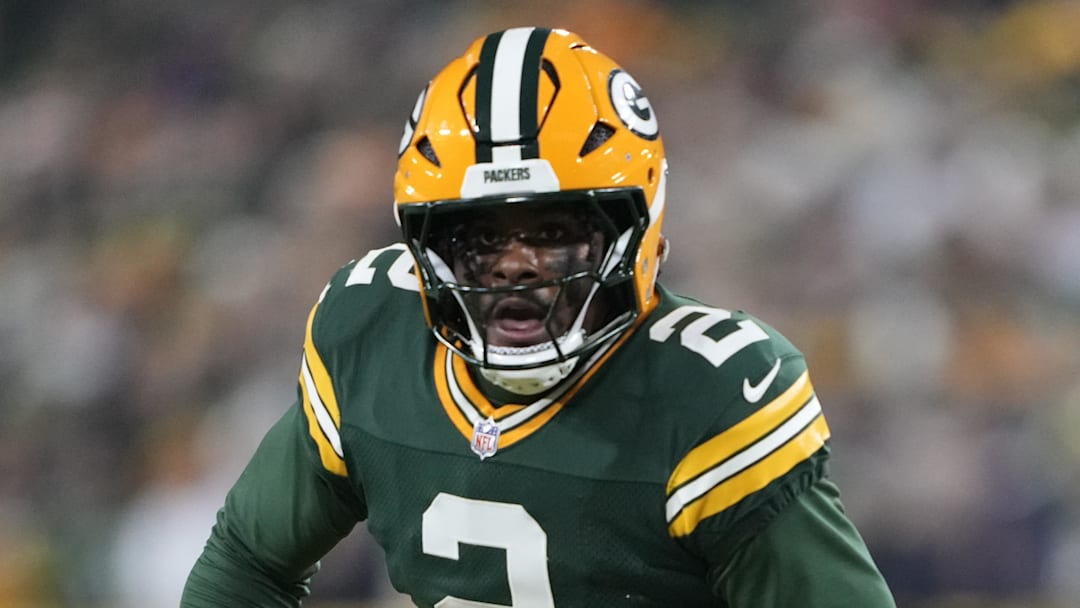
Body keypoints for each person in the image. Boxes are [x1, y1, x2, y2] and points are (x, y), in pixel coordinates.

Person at [181, 27, 896, 607]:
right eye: (480, 236)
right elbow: (248, 563)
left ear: (632, 229)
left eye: (553, 231)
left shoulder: (708, 394)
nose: (515, 266)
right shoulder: (372, 329)